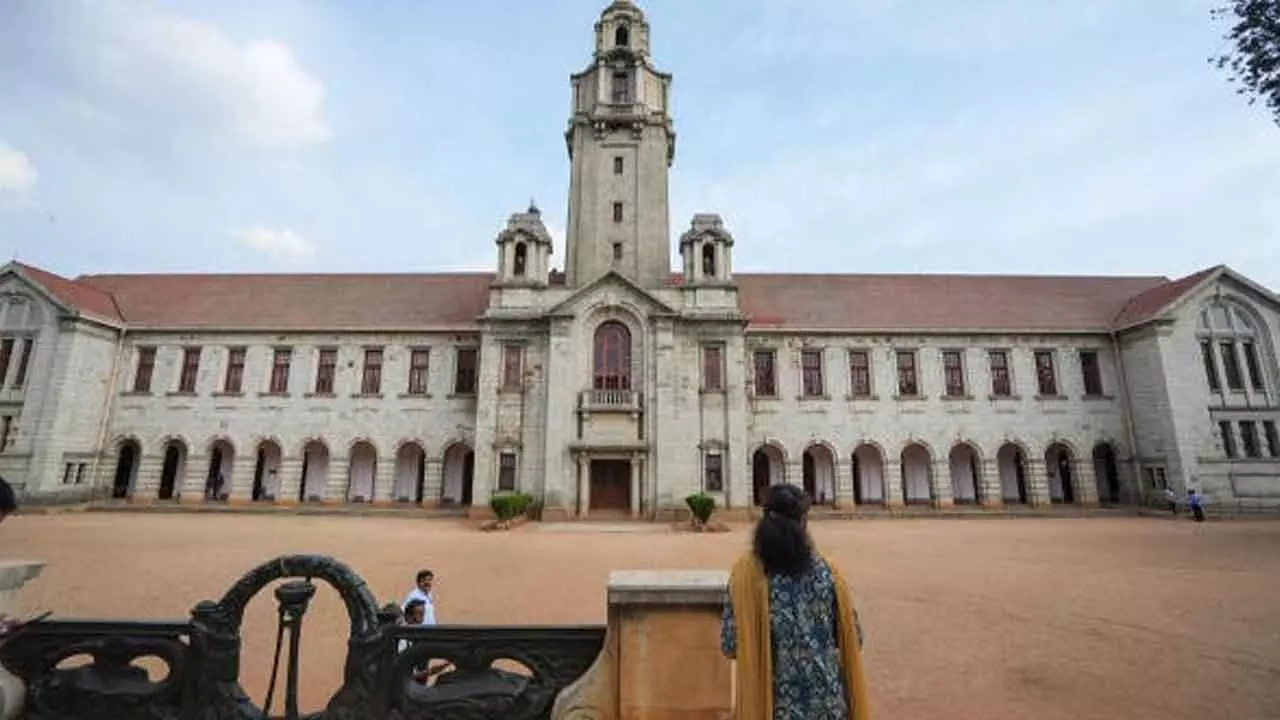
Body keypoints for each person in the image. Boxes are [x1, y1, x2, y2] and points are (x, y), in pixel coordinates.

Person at [721, 484, 869, 720]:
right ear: (803, 524)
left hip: (772, 707)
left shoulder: (745, 576)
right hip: (828, 706)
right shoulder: (828, 573)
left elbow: (730, 645)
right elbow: (855, 637)